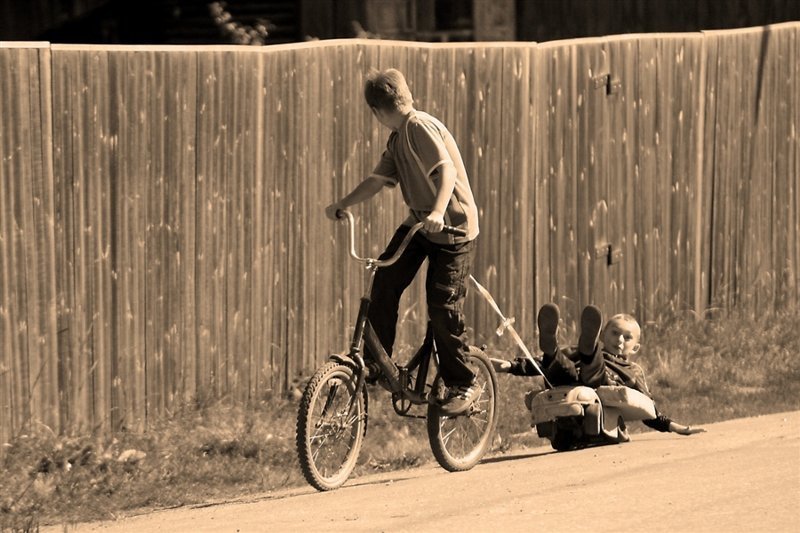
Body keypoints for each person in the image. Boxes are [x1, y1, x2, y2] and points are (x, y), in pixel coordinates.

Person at [325, 68, 480, 415]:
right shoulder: (397, 139)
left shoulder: (418, 127)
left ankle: (463, 382)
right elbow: (376, 181)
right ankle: (378, 362)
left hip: (453, 230)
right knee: (385, 278)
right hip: (421, 226)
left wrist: (439, 210)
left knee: (442, 304)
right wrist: (343, 204)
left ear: (377, 112)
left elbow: (448, 171)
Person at [492, 304, 705, 436]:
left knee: (592, 368)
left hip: (600, 381)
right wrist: (510, 366)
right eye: (614, 333)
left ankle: (586, 351)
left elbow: (648, 406)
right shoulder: (586, 354)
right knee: (557, 363)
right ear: (603, 336)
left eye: (627, 337)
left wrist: (674, 427)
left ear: (635, 347)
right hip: (571, 380)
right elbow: (536, 363)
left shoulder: (633, 369)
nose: (619, 340)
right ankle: (551, 347)